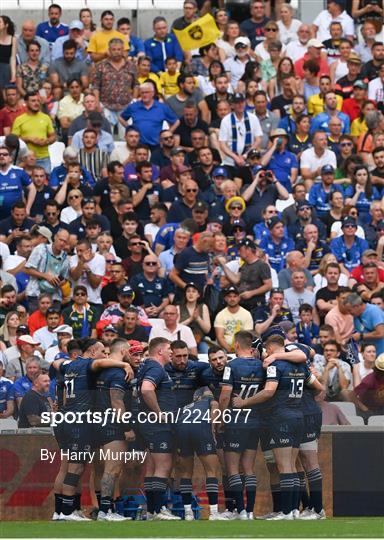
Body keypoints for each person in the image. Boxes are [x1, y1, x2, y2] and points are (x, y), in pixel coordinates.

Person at [219, 331, 266, 520]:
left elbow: (225, 395)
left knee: (232, 468)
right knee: (248, 468)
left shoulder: (231, 366)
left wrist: (221, 418)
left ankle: (240, 511)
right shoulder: (262, 366)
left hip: (236, 421)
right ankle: (251, 511)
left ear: (236, 345)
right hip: (254, 421)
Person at [136, 337, 181, 521]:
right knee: (163, 466)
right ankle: (160, 509)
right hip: (157, 425)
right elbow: (147, 389)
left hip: (147, 424)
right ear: (160, 351)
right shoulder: (155, 367)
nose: (172, 352)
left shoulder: (147, 367)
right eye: (169, 349)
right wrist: (159, 412)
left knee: (153, 468)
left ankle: (152, 510)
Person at [120, 83, 178, 150]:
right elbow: (121, 118)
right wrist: (130, 128)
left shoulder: (162, 107)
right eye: (142, 93)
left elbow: (176, 122)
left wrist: (167, 134)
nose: (144, 95)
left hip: (156, 145)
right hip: (138, 145)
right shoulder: (133, 107)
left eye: (147, 92)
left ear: (153, 93)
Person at [11, 92, 56, 173]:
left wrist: (46, 141)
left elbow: (53, 136)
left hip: (44, 158)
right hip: (25, 159)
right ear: (26, 102)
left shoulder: (46, 117)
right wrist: (28, 139)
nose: (36, 103)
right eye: (33, 101)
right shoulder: (19, 119)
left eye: (38, 101)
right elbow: (13, 140)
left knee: (45, 183)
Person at [214, 286, 253, 353]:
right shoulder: (220, 315)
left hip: (243, 347)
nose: (232, 299)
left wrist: (240, 350)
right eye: (229, 296)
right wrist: (230, 350)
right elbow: (219, 337)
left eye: (235, 296)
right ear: (225, 298)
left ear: (239, 298)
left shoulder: (247, 314)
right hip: (224, 349)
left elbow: (247, 336)